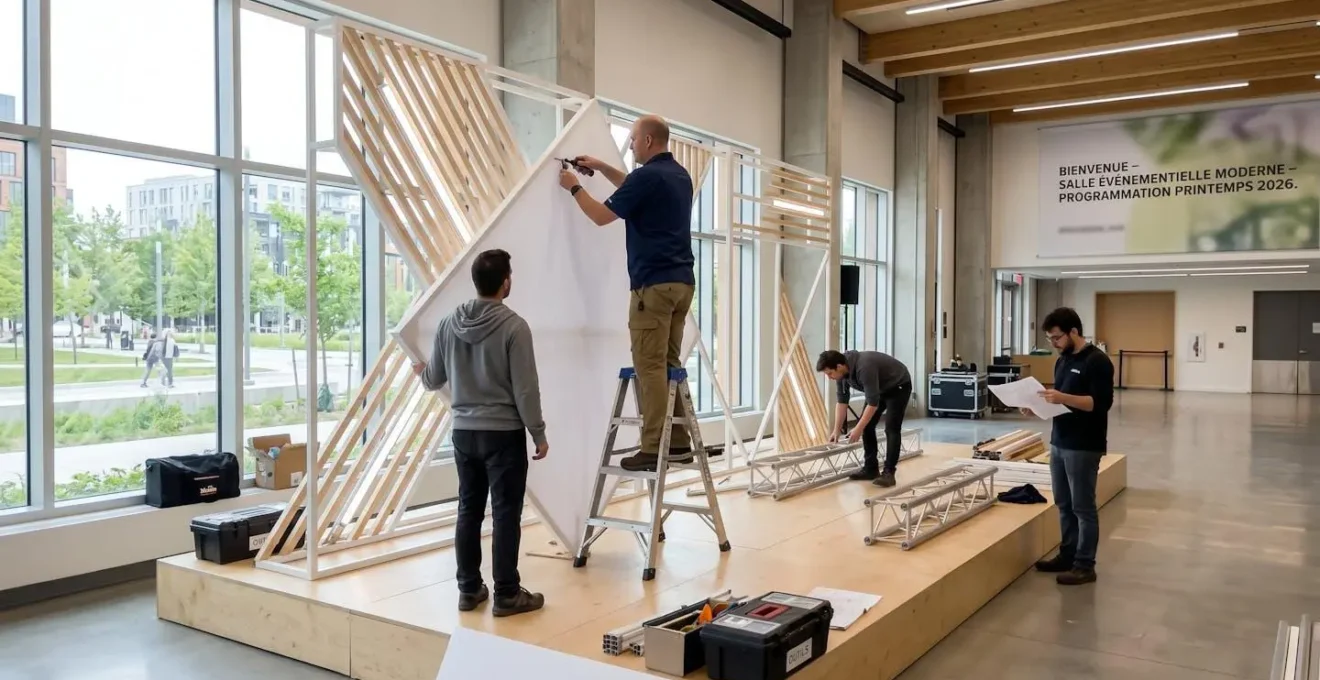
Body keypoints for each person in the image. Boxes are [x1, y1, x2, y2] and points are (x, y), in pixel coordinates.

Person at [558, 114, 699, 472]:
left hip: (652, 286)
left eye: (633, 140)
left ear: (648, 141)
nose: (631, 145)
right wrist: (603, 167)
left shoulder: (648, 177)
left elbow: (601, 216)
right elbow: (634, 187)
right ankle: (680, 443)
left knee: (648, 366)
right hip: (681, 285)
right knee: (668, 364)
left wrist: (574, 186)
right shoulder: (679, 176)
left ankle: (653, 448)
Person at [412, 249, 548, 617]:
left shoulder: (448, 324)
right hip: (502, 434)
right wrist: (538, 432)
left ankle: (469, 590)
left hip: (463, 433)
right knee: (506, 513)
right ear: (505, 282)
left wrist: (420, 371)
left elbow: (434, 378)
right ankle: (507, 593)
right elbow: (525, 389)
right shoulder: (514, 327)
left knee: (468, 509)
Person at [1032, 307, 1114, 586]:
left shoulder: (1097, 362)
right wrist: (1036, 405)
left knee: (1083, 507)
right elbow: (1059, 400)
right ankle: (1067, 554)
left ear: (1074, 332)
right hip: (1059, 441)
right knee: (1063, 503)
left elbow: (1099, 404)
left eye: (1056, 338)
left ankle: (1085, 564)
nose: (1053, 344)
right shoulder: (1062, 360)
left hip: (1083, 445)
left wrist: (1062, 396)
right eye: (1050, 339)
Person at [816, 349, 912, 488]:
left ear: (839, 366)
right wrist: (836, 430)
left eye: (830, 373)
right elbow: (842, 402)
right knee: (867, 425)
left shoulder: (864, 367)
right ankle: (870, 469)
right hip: (879, 389)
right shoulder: (841, 376)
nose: (829, 377)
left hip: (898, 386)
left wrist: (858, 429)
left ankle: (889, 473)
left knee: (891, 428)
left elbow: (872, 404)